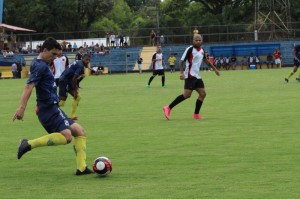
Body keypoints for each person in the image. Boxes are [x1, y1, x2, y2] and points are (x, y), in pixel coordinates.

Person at [12, 37, 93, 175]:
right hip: (47, 109)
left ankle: (82, 168)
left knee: (80, 132)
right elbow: (28, 87)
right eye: (53, 54)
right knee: (67, 137)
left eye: (57, 55)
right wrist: (21, 108)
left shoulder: (43, 64)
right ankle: (27, 144)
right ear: (44, 50)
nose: (55, 57)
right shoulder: (40, 66)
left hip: (53, 108)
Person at [163, 34, 220, 120]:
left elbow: (206, 61)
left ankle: (196, 114)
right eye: (196, 40)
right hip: (190, 75)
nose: (197, 41)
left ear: (202, 41)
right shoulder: (189, 49)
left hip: (197, 76)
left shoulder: (202, 51)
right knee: (186, 95)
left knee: (202, 94)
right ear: (193, 41)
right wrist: (181, 73)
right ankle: (168, 107)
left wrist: (215, 69)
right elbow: (181, 61)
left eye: (199, 40)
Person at [58, 54, 91, 121]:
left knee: (78, 97)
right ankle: (46, 105)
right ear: (83, 59)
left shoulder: (80, 62)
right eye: (86, 60)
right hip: (64, 81)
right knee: (61, 103)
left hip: (68, 80)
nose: (87, 61)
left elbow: (76, 77)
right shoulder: (80, 66)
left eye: (89, 60)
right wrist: (75, 90)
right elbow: (74, 78)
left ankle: (72, 116)